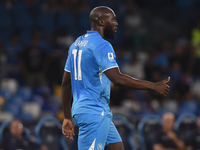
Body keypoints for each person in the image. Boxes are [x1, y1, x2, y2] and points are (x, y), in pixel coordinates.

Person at [61, 6, 170, 150]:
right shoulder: (102, 45)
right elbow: (117, 79)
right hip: (94, 113)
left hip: (87, 111)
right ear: (101, 21)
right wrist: (153, 86)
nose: (116, 23)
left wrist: (67, 116)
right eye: (113, 19)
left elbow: (65, 83)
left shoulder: (76, 44)